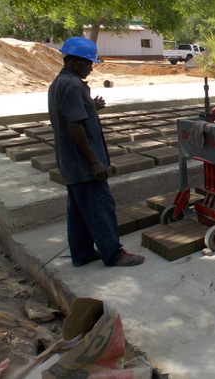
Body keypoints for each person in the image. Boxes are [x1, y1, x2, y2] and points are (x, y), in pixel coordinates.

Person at [48, 37, 145, 267]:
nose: (91, 68)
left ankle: (81, 254)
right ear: (72, 61)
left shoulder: (61, 82)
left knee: (78, 212)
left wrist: (92, 107)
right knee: (101, 208)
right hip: (83, 164)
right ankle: (113, 254)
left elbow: (75, 114)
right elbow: (74, 126)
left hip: (70, 163)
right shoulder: (72, 86)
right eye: (88, 63)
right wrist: (94, 162)